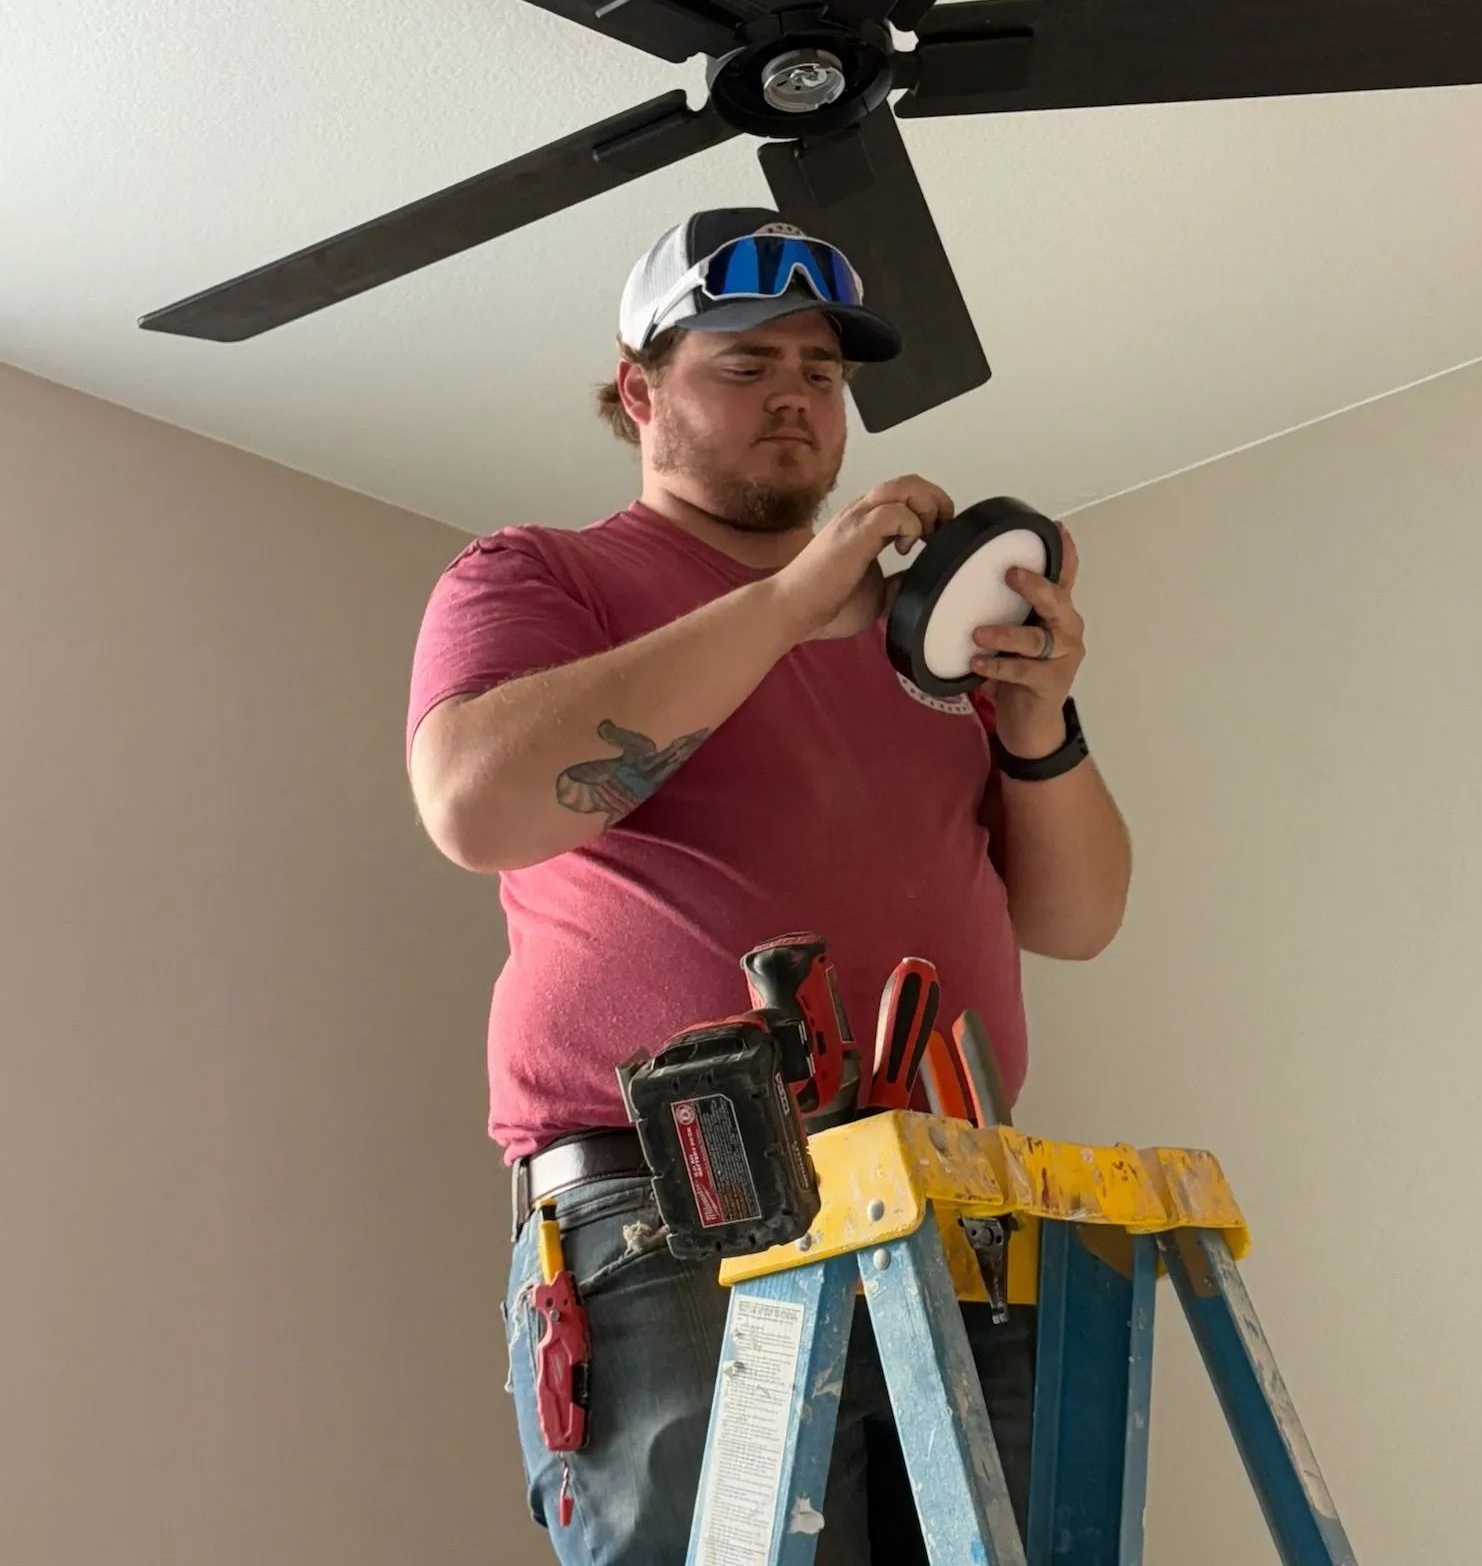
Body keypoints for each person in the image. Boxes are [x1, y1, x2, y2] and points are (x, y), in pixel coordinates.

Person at [406, 207, 1132, 1564]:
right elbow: (474, 803)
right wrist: (799, 598)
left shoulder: (928, 651)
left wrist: (1038, 719)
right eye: (745, 364)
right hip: (674, 1212)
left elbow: (1077, 921)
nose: (795, 396)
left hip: (952, 1203)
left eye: (820, 369)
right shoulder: (544, 576)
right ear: (640, 393)